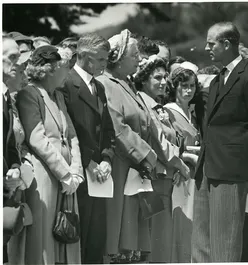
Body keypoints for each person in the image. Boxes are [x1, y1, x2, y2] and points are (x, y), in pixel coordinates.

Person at [191, 22, 248, 262]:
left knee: (224, 242)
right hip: (207, 168)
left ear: (227, 44)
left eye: (211, 43)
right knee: (201, 241)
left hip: (232, 170)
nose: (206, 48)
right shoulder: (218, 80)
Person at [16, 45, 83, 264]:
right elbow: (37, 138)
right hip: (45, 176)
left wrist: (76, 172)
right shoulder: (30, 94)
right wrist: (65, 173)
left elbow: (71, 135)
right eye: (65, 68)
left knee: (65, 237)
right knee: (44, 240)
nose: (69, 73)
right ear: (51, 69)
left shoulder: (58, 97)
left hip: (67, 180)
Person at [97, 29, 157, 263]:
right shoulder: (106, 83)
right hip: (122, 166)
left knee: (133, 232)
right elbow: (118, 127)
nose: (140, 59)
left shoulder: (126, 83)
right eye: (135, 55)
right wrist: (147, 155)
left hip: (135, 167)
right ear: (119, 58)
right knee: (120, 232)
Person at [60, 33, 115, 264]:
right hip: (80, 172)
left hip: (99, 174)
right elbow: (69, 130)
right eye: (100, 59)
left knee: (96, 240)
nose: (105, 64)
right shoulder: (65, 84)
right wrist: (88, 163)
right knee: (79, 241)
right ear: (82, 56)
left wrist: (107, 159)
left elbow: (108, 131)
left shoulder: (99, 87)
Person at [134, 55, 190, 263]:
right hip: (154, 177)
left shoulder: (157, 105)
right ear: (143, 78)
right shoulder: (143, 104)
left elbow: (173, 139)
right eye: (157, 77)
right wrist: (180, 165)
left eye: (165, 77)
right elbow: (159, 142)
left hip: (165, 177)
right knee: (156, 237)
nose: (164, 82)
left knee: (162, 236)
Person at [165, 67, 200, 262]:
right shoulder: (169, 111)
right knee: (180, 222)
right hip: (180, 173)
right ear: (175, 87)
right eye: (184, 86)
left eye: (192, 86)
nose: (189, 90)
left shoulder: (192, 114)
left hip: (193, 175)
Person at [3, 35, 24, 264]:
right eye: (11, 57)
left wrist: (15, 168)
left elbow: (10, 146)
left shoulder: (6, 97)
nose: (18, 63)